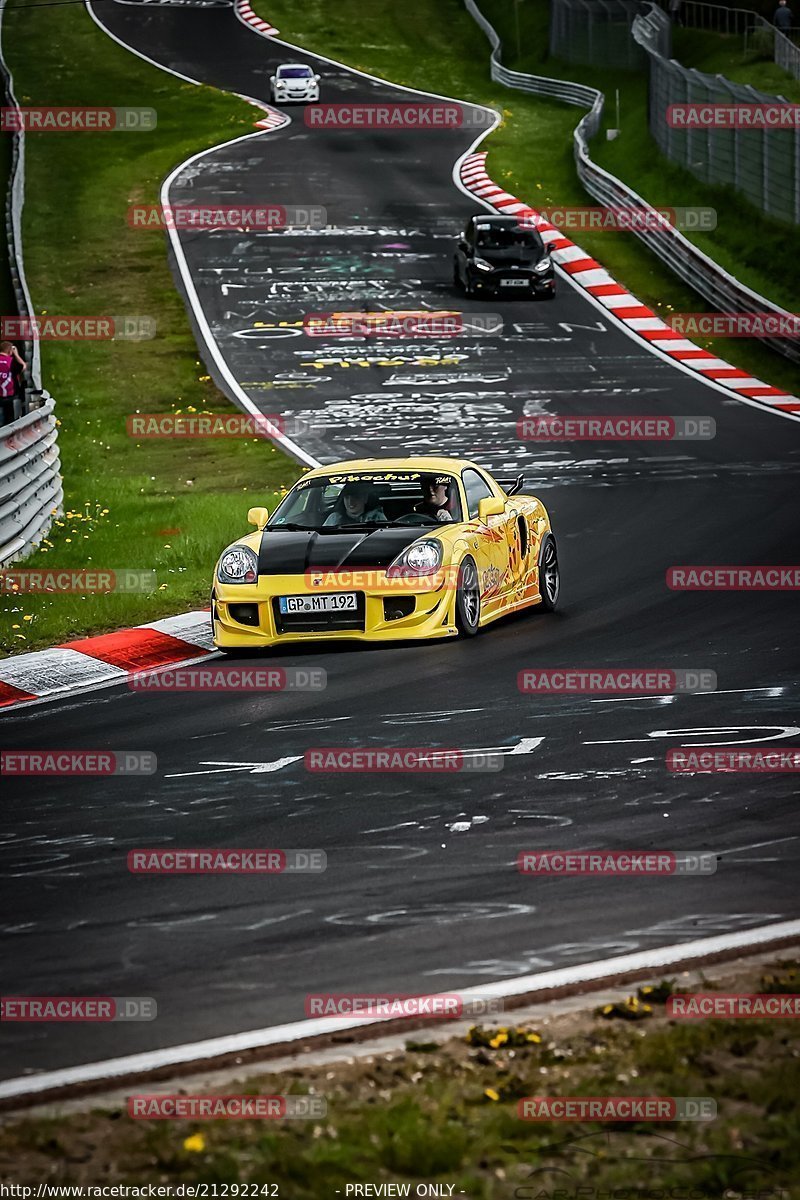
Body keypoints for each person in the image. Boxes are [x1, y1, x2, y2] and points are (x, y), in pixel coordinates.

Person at [0, 340, 26, 425]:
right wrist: (16, 355)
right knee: (8, 420)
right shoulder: (11, 361)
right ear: (10, 351)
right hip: (9, 395)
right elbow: (23, 367)